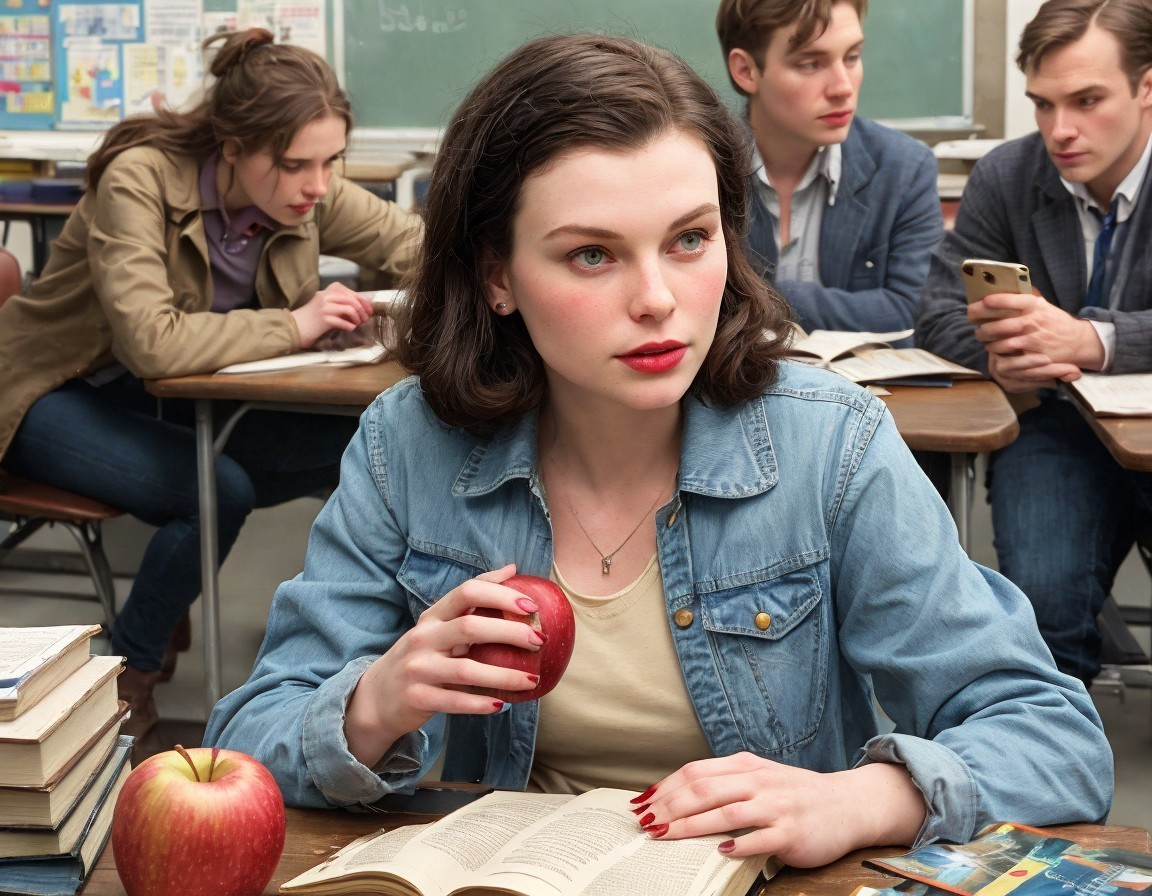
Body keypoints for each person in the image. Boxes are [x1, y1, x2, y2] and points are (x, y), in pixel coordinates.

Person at [206, 33, 1110, 866]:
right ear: (496, 276)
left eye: (689, 240)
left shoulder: (829, 442)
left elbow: (1052, 738)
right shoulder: (408, 445)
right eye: (592, 255)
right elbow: (247, 737)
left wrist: (867, 799)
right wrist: (372, 706)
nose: (658, 299)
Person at [0, 28, 422, 744]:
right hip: (48, 392)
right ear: (233, 148)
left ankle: (370, 665)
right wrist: (298, 323)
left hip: (157, 398)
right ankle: (125, 673)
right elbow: (152, 341)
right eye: (295, 165)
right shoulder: (138, 177)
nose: (316, 186)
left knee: (366, 442)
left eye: (330, 162)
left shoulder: (306, 189)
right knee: (216, 490)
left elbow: (419, 246)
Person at [916, 0, 1152, 687]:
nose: (1060, 130)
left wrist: (1093, 340)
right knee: (1041, 613)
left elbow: (1086, 341)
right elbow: (934, 312)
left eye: (1086, 101)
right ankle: (1059, 760)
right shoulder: (1008, 176)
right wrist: (1002, 353)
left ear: (1146, 86)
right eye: (1042, 105)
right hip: (1057, 427)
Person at [715, 0, 942, 333]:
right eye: (810, 64)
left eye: (852, 57)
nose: (843, 88)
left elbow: (912, 313)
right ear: (746, 71)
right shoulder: (706, 168)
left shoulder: (905, 169)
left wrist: (763, 295)